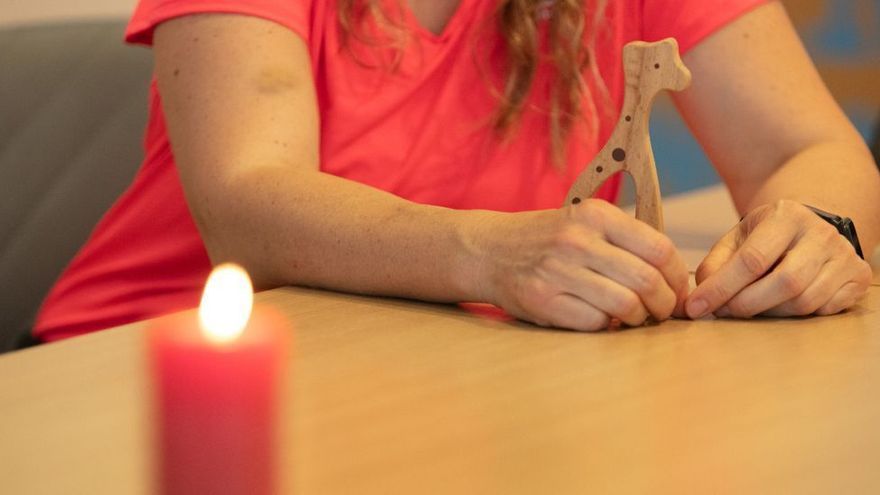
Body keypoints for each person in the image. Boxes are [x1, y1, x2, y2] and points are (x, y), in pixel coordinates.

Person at [33, 0, 880, 342]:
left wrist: (815, 232)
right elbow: (247, 199)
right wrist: (488, 256)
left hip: (447, 380)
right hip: (151, 374)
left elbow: (804, 149)